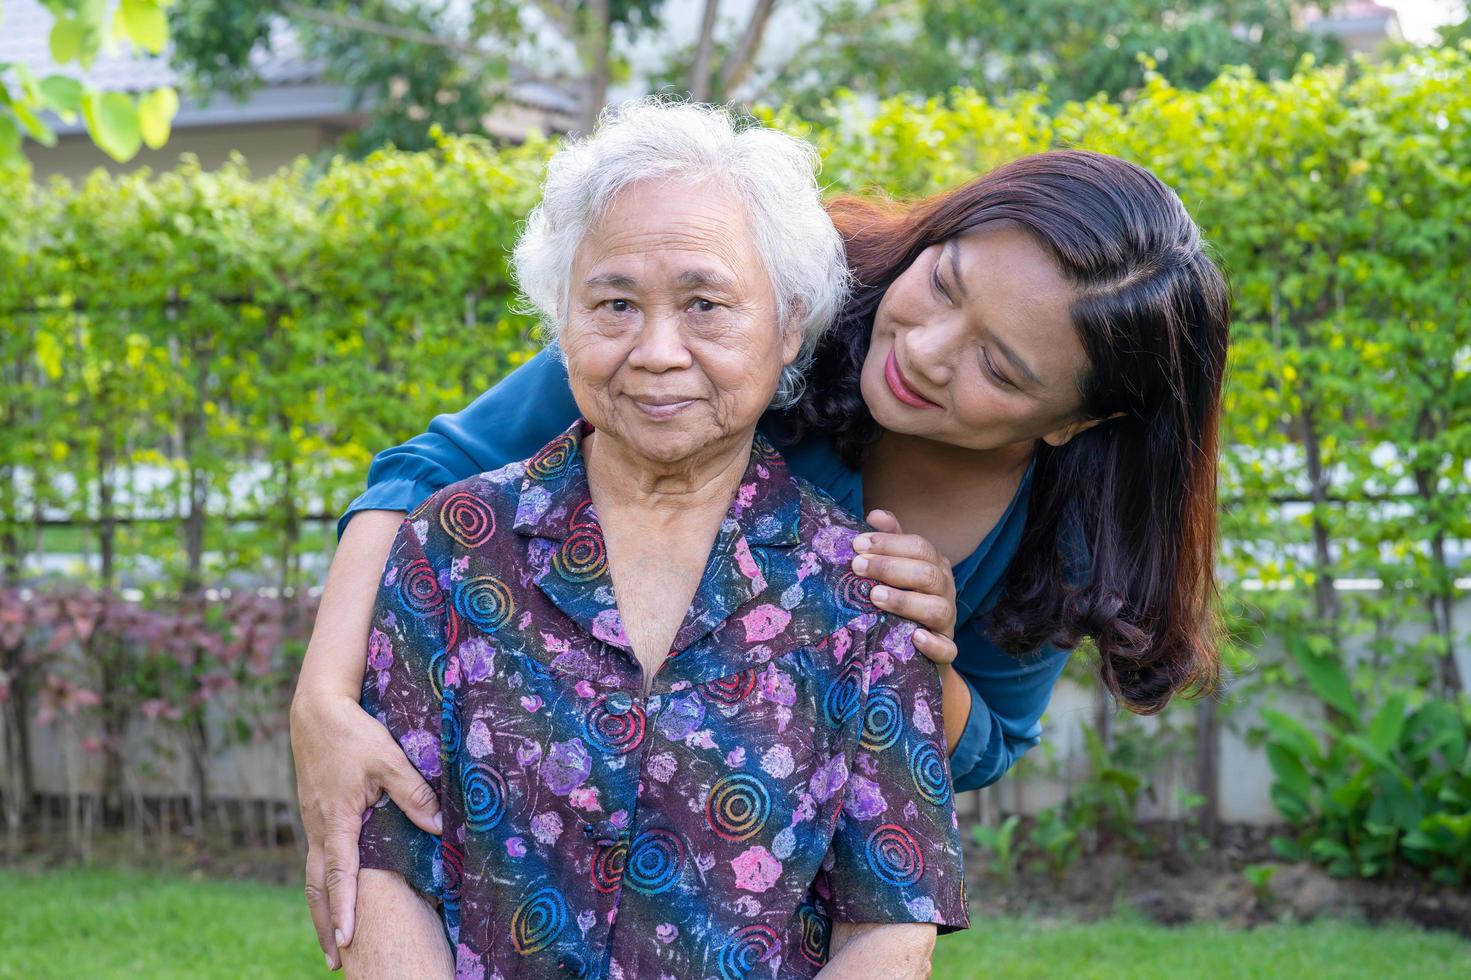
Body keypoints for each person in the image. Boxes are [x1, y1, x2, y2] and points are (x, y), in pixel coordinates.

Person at [293, 114, 1231, 969]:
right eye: (942, 285)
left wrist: (919, 646)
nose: (926, 349)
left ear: (1075, 419)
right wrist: (323, 697)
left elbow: (979, 750)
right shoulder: (724, 305)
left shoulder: (1057, 531)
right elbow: (427, 477)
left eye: (997, 366)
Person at [336, 99, 969, 979]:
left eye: (706, 302)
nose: (657, 350)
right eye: (615, 303)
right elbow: (383, 865)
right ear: (563, 320)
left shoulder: (859, 592)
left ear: (788, 325)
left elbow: (890, 922)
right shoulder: (451, 547)